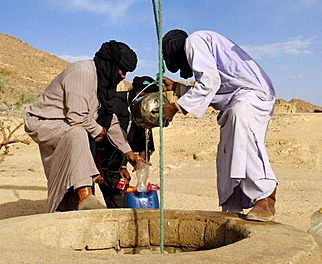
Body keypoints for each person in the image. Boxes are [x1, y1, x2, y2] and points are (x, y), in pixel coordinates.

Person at [162, 29, 277, 222]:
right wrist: (177, 88)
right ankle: (233, 205)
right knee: (228, 152)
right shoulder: (203, 45)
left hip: (251, 95)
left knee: (243, 130)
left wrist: (176, 107)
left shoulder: (194, 41)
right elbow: (217, 90)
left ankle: (266, 197)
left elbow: (210, 83)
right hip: (237, 99)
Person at [24, 40, 146, 213]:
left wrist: (129, 153)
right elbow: (77, 117)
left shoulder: (103, 85)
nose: (124, 76)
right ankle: (85, 194)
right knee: (79, 133)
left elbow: (109, 120)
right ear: (111, 64)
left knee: (69, 164)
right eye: (122, 70)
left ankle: (78, 199)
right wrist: (98, 130)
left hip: (66, 125)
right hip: (45, 122)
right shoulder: (83, 74)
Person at [95, 76, 158, 208]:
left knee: (121, 205)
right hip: (98, 160)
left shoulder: (141, 112)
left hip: (115, 166)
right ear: (139, 93)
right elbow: (98, 140)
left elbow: (129, 142)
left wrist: (123, 166)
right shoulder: (114, 103)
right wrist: (98, 169)